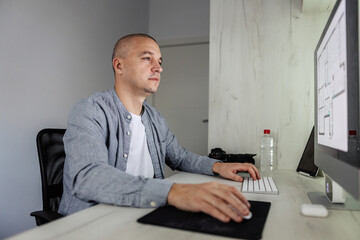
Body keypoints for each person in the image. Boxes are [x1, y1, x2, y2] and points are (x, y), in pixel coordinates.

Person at [58, 33, 260, 223]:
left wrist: (218, 166)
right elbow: (87, 178)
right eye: (147, 58)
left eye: (160, 62)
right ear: (119, 66)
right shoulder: (89, 111)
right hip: (91, 223)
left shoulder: (154, 117)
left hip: (141, 214)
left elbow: (179, 157)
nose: (159, 68)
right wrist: (173, 192)